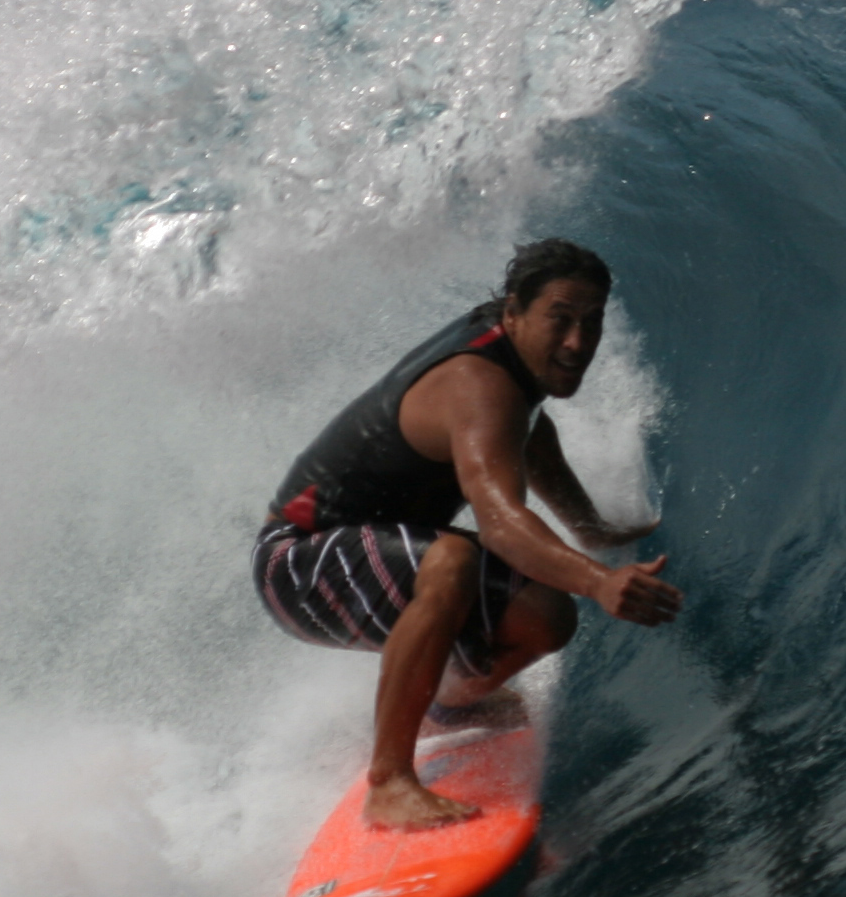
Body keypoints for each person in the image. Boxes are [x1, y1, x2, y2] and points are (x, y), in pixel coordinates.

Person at [254, 238, 683, 829]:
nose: (578, 343)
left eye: (592, 323)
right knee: (453, 559)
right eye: (560, 320)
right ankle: (390, 781)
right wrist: (601, 581)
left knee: (547, 615)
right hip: (296, 565)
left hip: (361, 555)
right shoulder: (479, 382)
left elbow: (527, 433)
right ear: (513, 313)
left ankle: (452, 705)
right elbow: (502, 527)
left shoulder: (515, 366)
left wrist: (591, 530)